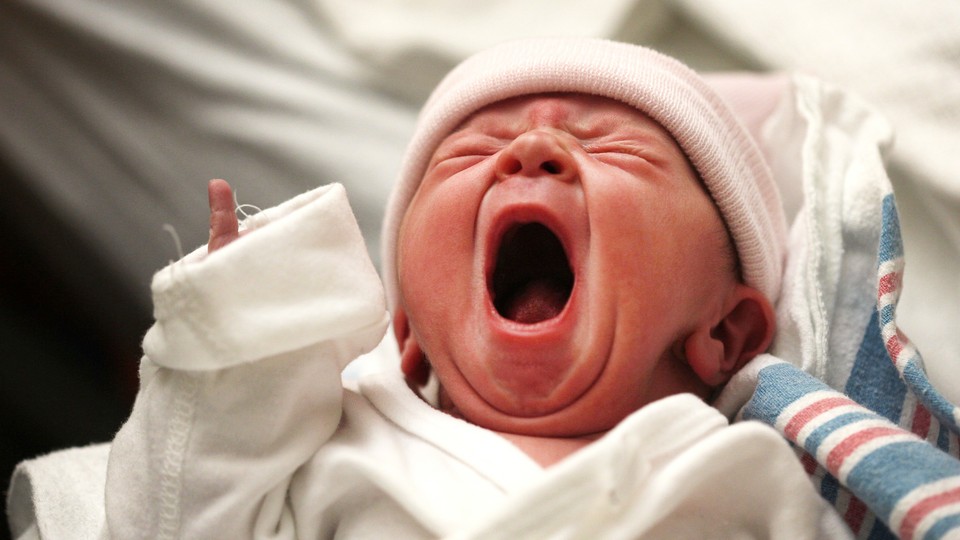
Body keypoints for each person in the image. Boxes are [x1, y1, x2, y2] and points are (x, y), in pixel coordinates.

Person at [104, 38, 848, 538]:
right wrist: (240, 353)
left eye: (610, 144)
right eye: (475, 148)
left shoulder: (755, 474)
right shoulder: (340, 446)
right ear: (410, 341)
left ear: (725, 333)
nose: (531, 148)